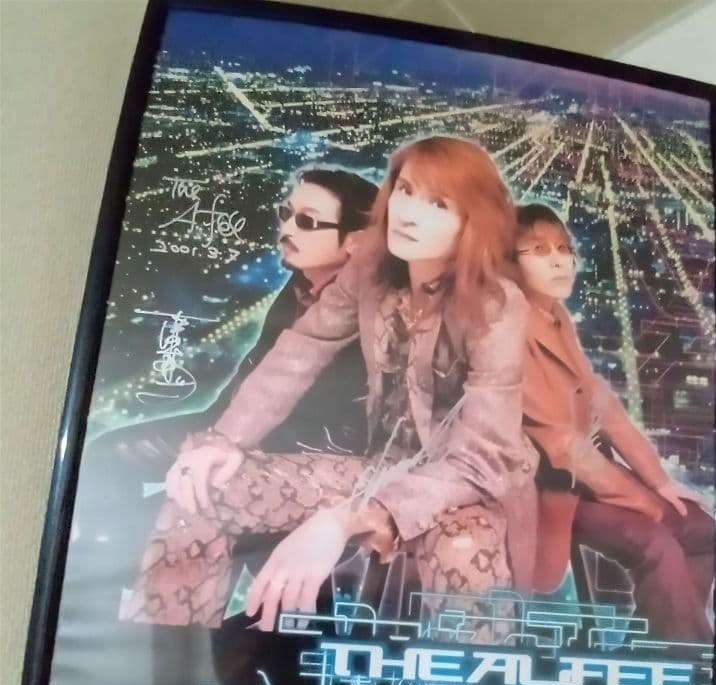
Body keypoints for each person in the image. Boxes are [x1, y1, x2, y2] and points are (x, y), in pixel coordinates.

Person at [122, 135, 536, 634]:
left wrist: (347, 518)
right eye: (406, 190)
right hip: (376, 467)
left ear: (473, 223)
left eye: (438, 204)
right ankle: (166, 660)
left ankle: (472, 683)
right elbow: (302, 349)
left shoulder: (498, 306)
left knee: (465, 552)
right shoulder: (370, 267)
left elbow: (480, 459)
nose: (408, 214)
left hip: (465, 486)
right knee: (204, 488)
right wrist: (224, 440)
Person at [73, 167, 378, 585]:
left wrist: (235, 448)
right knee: (111, 454)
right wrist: (215, 433)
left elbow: (343, 425)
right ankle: (105, 582)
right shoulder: (299, 285)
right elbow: (256, 373)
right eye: (286, 213)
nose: (287, 228)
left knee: (201, 500)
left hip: (302, 452)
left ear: (356, 241)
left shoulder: (372, 314)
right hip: (236, 429)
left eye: (307, 222)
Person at [516, 202, 715, 644]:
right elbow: (564, 449)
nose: (559, 261)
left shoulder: (554, 316)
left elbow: (604, 407)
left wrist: (660, 484)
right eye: (539, 250)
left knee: (702, 529)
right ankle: (684, 656)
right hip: (549, 488)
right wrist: (646, 504)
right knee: (657, 541)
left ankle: (661, 649)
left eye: (564, 249)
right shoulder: (510, 328)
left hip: (592, 477)